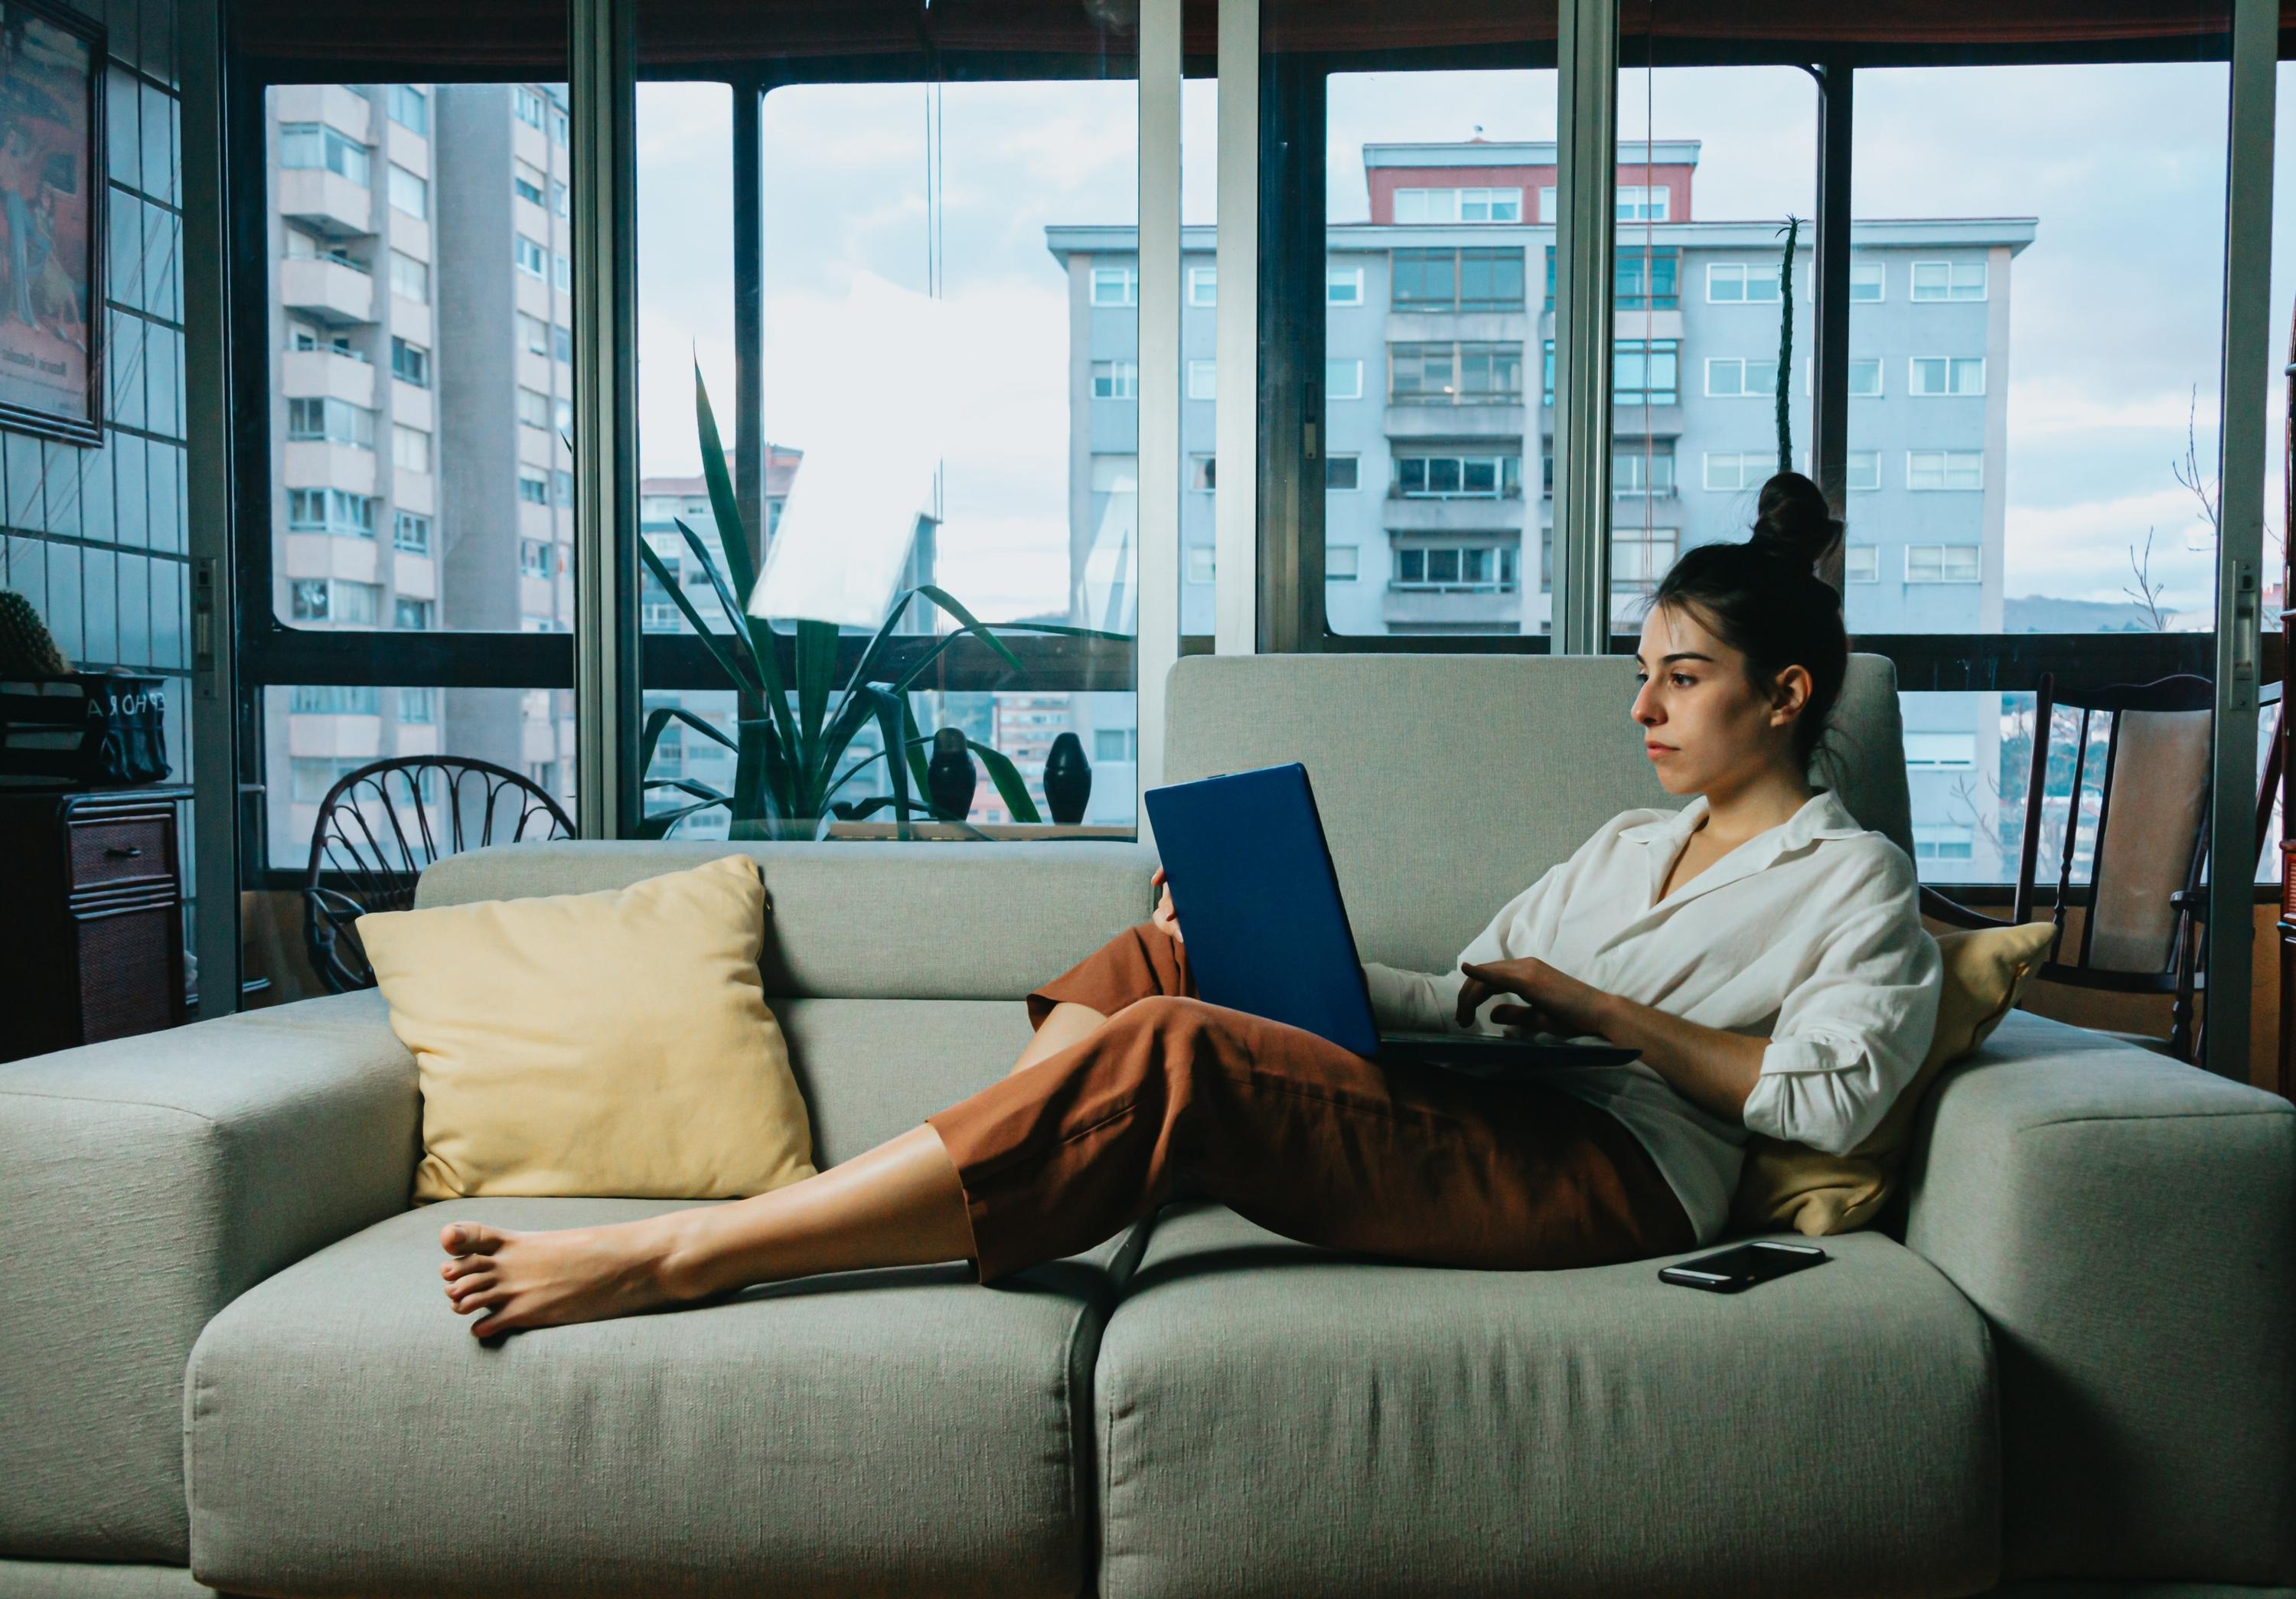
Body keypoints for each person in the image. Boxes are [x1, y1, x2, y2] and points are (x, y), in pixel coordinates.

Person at [435, 472, 1942, 1339]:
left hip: (1614, 1174)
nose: (1643, 708)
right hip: (1492, 1103)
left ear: (1783, 694)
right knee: (1163, 959)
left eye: (1681, 678)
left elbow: (1828, 1094)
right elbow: (1469, 998)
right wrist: (1251, 941)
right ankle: (963, 1180)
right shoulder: (1624, 843)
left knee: (1176, 1055)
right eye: (1642, 674)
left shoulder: (1854, 879)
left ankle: (691, 1252)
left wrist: (1601, 1009)